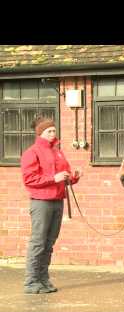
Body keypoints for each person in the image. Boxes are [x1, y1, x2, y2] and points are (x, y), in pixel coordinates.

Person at [20, 116, 82, 294]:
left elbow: (65, 174)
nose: (53, 133)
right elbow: (29, 179)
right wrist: (53, 178)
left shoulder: (57, 152)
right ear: (40, 133)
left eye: (54, 130)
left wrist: (73, 176)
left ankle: (43, 279)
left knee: (49, 242)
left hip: (57, 200)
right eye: (49, 131)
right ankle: (31, 282)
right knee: (38, 242)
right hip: (41, 203)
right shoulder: (31, 153)